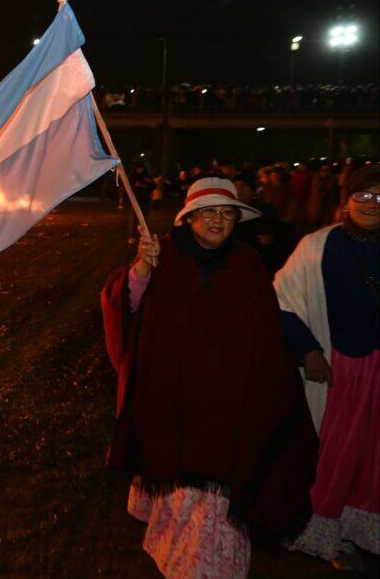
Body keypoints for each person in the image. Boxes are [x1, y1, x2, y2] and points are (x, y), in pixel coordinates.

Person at [101, 177, 318, 578]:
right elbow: (126, 309)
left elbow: (268, 327)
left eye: (226, 212)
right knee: (185, 497)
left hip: (231, 409)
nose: (217, 220)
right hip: (176, 409)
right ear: (190, 218)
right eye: (207, 212)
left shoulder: (248, 262)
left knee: (223, 497)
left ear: (237, 218)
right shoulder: (164, 254)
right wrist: (142, 269)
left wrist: (296, 358)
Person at [273, 166, 380, 570]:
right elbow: (281, 299)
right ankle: (327, 533)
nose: (371, 204)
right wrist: (309, 351)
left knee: (375, 454)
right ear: (346, 200)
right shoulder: (317, 246)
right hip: (340, 369)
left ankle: (365, 530)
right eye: (363, 196)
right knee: (337, 452)